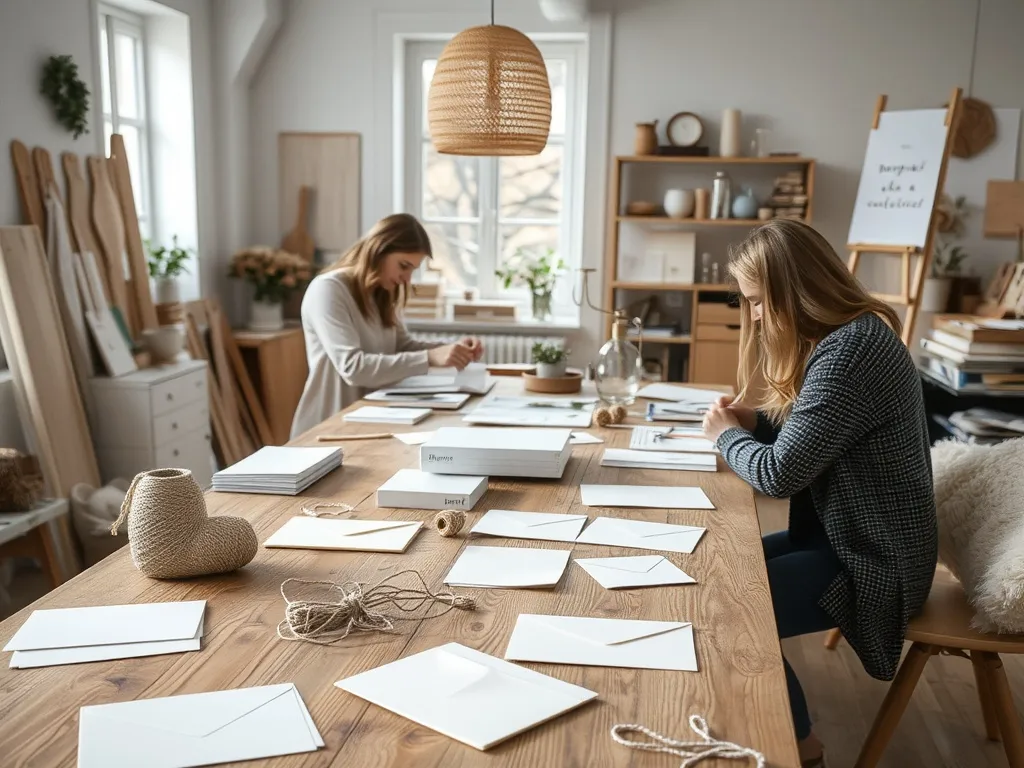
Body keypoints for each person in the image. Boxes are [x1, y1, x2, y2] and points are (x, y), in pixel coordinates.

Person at [700, 219, 937, 768]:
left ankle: (804, 750)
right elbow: (817, 436)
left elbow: (779, 475)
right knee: (718, 570)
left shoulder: (853, 352)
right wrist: (756, 422)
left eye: (757, 301)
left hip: (872, 561)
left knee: (730, 611)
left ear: (794, 289)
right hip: (846, 540)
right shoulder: (852, 337)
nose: (754, 316)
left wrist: (726, 436)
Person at [290, 213, 483, 438]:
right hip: (326, 429)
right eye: (404, 266)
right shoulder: (329, 289)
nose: (407, 279)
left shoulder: (381, 293)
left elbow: (402, 346)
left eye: (412, 270)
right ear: (378, 249)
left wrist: (451, 349)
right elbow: (353, 368)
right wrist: (430, 357)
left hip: (370, 421)